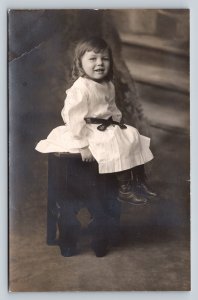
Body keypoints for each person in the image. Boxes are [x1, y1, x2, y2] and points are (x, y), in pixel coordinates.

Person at [36, 36, 156, 206]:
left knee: (132, 135)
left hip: (106, 126)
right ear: (80, 63)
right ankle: (124, 188)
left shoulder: (108, 84)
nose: (99, 63)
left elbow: (111, 107)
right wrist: (83, 145)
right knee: (117, 143)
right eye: (93, 59)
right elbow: (73, 117)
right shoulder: (81, 87)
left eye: (104, 59)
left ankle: (138, 183)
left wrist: (117, 123)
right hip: (88, 129)